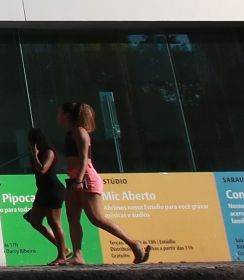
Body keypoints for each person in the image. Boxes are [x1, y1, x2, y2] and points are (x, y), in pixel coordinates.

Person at [58, 102, 150, 265]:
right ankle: (78, 255)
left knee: (96, 218)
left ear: (66, 115)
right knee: (72, 216)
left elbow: (85, 157)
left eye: (60, 112)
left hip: (84, 176)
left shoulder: (79, 131)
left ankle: (133, 244)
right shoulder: (70, 132)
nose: (57, 115)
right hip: (74, 177)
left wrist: (79, 179)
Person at [22, 127, 68, 265]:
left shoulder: (49, 152)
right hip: (42, 191)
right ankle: (63, 248)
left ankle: (62, 256)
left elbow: (42, 170)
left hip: (53, 190)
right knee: (34, 221)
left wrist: (35, 155)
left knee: (54, 223)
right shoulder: (37, 154)